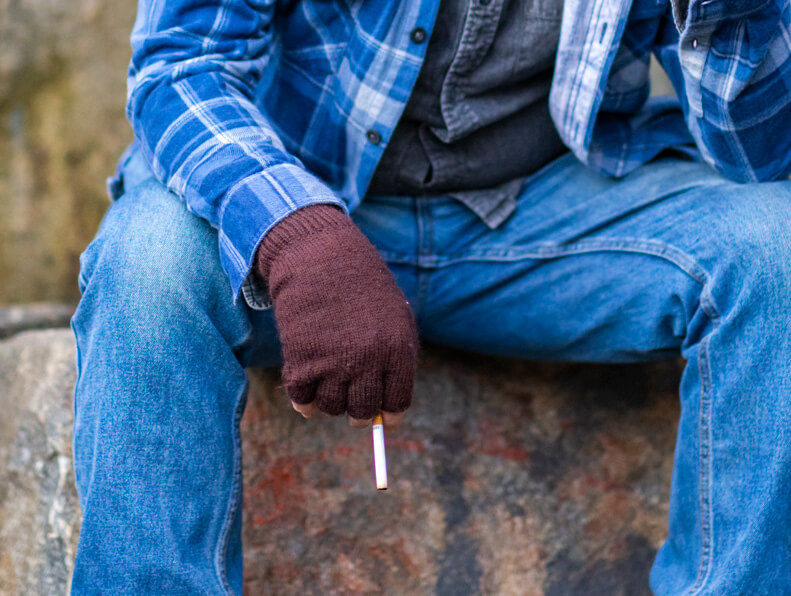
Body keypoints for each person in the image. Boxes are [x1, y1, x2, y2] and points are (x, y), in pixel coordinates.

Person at [70, 0, 791, 593]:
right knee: (148, 260)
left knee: (774, 244)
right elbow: (179, 66)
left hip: (542, 216)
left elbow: (766, 159)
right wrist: (296, 234)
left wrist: (728, 15)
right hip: (300, 196)